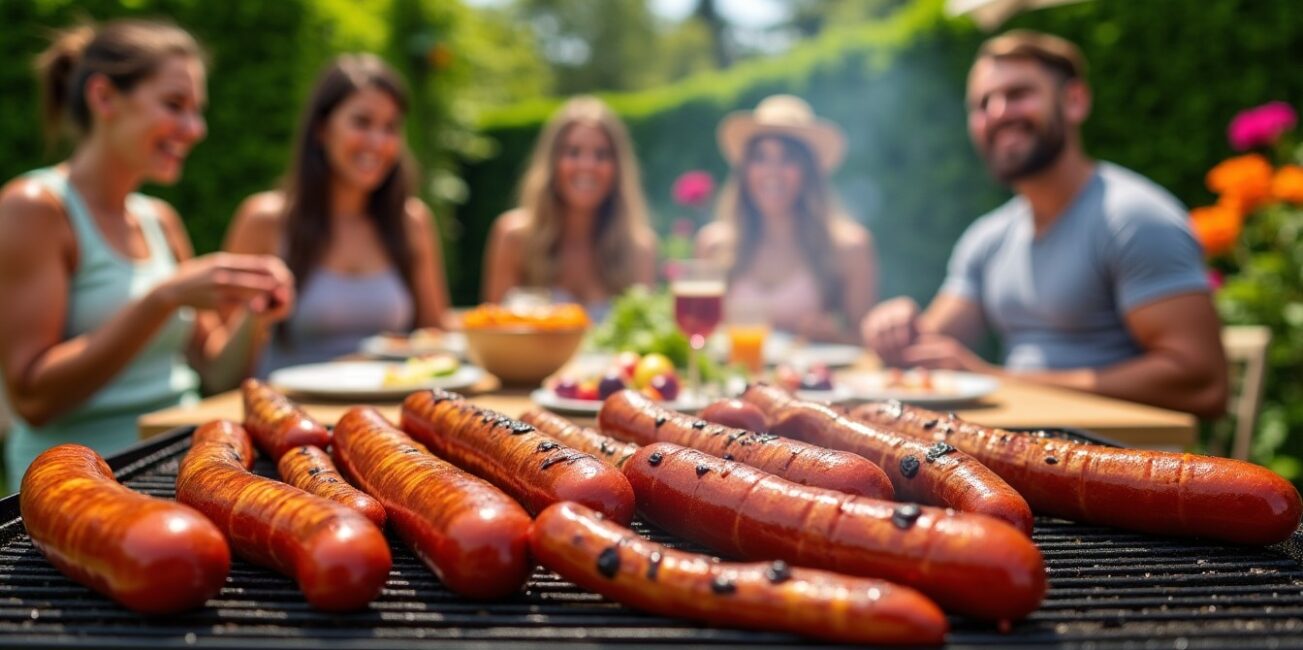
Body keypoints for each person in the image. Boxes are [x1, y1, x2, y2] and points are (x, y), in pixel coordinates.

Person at [860, 30, 1228, 418]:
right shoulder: (989, 237)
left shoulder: (1134, 218)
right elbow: (928, 347)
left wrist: (998, 378)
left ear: (1074, 101)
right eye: (983, 103)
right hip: (1017, 450)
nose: (998, 113)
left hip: (1120, 463)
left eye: (1018, 94)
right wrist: (897, 324)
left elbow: (1202, 384)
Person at [0, 20, 293, 489]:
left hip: (180, 465)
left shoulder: (160, 220)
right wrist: (163, 297)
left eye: (198, 111)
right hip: (75, 485)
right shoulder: (35, 207)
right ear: (104, 98)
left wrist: (258, 314)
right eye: (175, 105)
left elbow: (217, 372)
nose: (195, 129)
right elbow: (33, 398)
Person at [224, 53, 451, 376]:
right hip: (289, 418)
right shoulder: (265, 219)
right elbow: (224, 366)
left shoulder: (411, 222)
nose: (378, 142)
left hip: (385, 417)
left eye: (390, 127)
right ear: (321, 129)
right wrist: (257, 316)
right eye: (362, 122)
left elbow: (434, 337)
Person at [698, 95, 877, 343]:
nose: (773, 172)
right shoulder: (713, 246)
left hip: (809, 380)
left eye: (788, 158)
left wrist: (835, 335)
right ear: (745, 170)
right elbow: (700, 335)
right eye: (760, 157)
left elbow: (866, 342)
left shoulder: (850, 247)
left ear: (809, 172)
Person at [482, 96, 658, 317]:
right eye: (573, 152)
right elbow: (494, 331)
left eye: (601, 154)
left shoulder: (639, 249)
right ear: (552, 162)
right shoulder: (514, 238)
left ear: (617, 168)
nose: (587, 165)